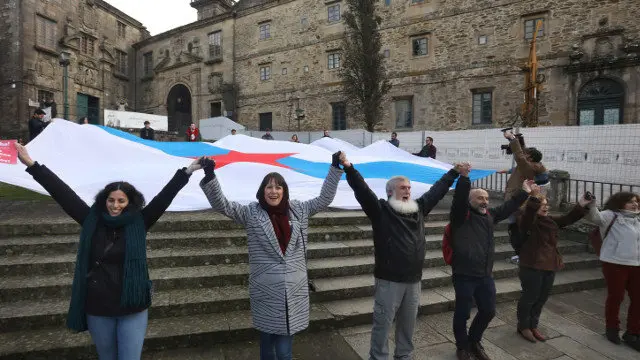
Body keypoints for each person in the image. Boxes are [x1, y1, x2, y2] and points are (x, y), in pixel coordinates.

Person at [13, 142, 202, 359]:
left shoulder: (140, 221)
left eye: (121, 201)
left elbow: (165, 196)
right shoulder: (91, 220)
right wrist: (32, 164)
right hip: (98, 306)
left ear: (130, 203)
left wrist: (187, 171)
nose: (115, 205)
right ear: (104, 201)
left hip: (132, 306)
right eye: (111, 200)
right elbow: (62, 193)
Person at [199, 151, 344, 360]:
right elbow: (222, 205)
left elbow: (324, 199)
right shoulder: (252, 213)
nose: (273, 191)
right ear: (262, 190)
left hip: (293, 293)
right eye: (269, 187)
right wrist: (210, 175)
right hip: (266, 293)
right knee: (267, 347)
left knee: (284, 352)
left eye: (278, 187)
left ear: (284, 191)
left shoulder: (299, 211)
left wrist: (335, 169)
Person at [342, 155, 465, 360]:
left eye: (408, 187)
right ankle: (378, 356)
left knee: (408, 323)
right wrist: (349, 169)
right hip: (389, 280)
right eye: (402, 188)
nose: (407, 191)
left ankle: (404, 355)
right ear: (391, 192)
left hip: (414, 279)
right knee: (383, 322)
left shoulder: (418, 209)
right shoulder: (381, 210)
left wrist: (453, 173)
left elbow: (436, 191)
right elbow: (362, 191)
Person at [449, 176, 534, 360]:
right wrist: (463, 178)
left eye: (487, 198)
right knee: (462, 313)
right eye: (480, 198)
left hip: (484, 275)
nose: (485, 201)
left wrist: (525, 191)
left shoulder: (489, 216)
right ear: (469, 201)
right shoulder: (461, 217)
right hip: (464, 274)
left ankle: (474, 341)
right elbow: (458, 200)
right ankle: (462, 346)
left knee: (488, 310)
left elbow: (508, 207)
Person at [515, 192, 593, 343]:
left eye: (546, 204)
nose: (545, 207)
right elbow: (527, 219)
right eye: (542, 205)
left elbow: (567, 219)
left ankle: (533, 325)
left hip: (550, 264)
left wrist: (581, 204)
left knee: (541, 298)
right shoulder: (526, 220)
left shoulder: (549, 220)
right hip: (531, 265)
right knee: (530, 297)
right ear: (532, 206)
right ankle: (523, 326)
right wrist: (533, 200)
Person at [586, 192, 640, 351]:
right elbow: (594, 217)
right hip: (614, 263)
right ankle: (612, 329)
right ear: (620, 202)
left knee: (638, 299)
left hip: (637, 264)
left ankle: (633, 332)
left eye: (636, 201)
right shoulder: (610, 215)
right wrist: (592, 204)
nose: (635, 204)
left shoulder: (637, 219)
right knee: (616, 297)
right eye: (630, 202)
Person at [501, 130, 546, 259]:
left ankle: (522, 253)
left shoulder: (528, 166)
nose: (524, 153)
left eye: (527, 154)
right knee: (517, 227)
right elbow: (524, 153)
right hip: (518, 202)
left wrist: (512, 139)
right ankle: (521, 253)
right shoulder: (533, 165)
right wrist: (519, 140)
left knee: (517, 228)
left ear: (530, 158)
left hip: (518, 202)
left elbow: (520, 156)